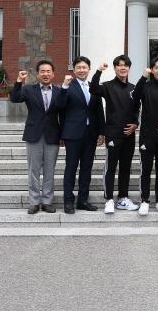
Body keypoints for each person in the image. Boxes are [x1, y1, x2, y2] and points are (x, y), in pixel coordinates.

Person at [10, 60, 65, 214]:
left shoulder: (60, 91)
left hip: (53, 135)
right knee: (33, 170)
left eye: (48, 71)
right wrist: (19, 81)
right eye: (42, 71)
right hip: (34, 134)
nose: (46, 74)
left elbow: (63, 115)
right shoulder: (28, 90)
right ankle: (34, 202)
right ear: (38, 74)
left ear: (53, 74)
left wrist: (63, 135)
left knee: (49, 170)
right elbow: (14, 98)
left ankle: (47, 201)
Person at [90, 55, 140, 214]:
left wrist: (136, 124)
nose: (122, 68)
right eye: (119, 65)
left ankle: (123, 198)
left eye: (125, 65)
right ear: (115, 68)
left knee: (126, 168)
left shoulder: (133, 88)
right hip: (112, 134)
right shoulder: (108, 86)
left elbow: (136, 109)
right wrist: (98, 71)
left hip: (129, 135)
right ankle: (109, 200)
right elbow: (93, 88)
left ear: (129, 68)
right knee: (110, 168)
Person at [57, 56, 105, 214]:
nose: (82, 70)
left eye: (84, 67)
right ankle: (68, 202)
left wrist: (101, 132)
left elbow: (99, 111)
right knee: (70, 168)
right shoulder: (68, 87)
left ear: (89, 69)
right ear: (74, 69)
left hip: (90, 134)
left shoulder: (94, 87)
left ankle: (83, 200)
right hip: (72, 134)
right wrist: (61, 135)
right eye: (79, 67)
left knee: (86, 168)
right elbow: (60, 107)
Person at [132, 55, 158, 216]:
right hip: (147, 135)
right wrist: (143, 77)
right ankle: (144, 200)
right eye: (156, 67)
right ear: (152, 70)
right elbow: (134, 97)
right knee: (146, 170)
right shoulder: (146, 86)